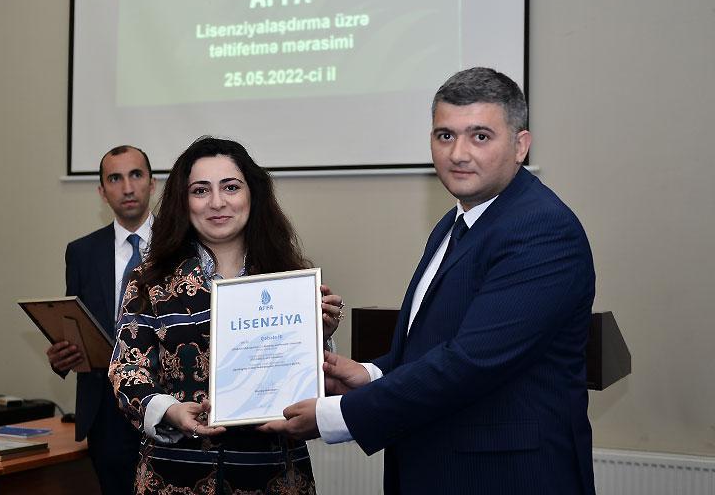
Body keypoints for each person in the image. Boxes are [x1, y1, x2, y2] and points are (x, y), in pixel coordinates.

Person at [261, 67, 596, 495]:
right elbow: (436, 343)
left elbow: (470, 363)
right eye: (445, 136)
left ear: (520, 145)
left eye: (480, 136)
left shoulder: (542, 230)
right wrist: (371, 374)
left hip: (505, 476)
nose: (458, 154)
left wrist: (336, 416)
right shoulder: (454, 223)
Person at [109, 136, 343, 495]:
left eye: (230, 187)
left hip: (274, 474)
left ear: (252, 194)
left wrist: (319, 337)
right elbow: (127, 370)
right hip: (174, 474)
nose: (217, 202)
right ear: (183, 201)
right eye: (201, 191)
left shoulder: (289, 279)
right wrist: (170, 411)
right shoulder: (150, 280)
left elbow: (313, 384)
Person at [46, 145, 155, 495]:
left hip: (169, 406)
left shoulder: (183, 245)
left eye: (136, 175)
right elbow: (75, 327)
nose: (127, 187)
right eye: (115, 178)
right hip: (106, 414)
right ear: (102, 191)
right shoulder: (82, 252)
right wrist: (63, 355)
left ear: (152, 183)